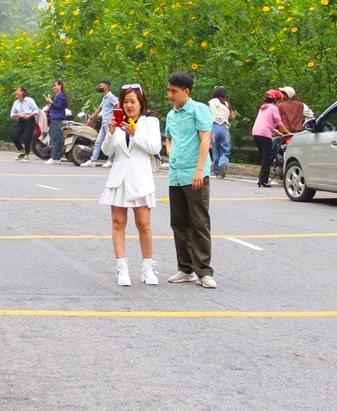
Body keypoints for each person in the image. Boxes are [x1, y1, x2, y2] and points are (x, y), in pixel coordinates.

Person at [100, 84, 163, 286]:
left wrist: (135, 132)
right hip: (119, 178)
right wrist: (110, 132)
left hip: (140, 179)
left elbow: (155, 147)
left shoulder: (150, 123)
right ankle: (122, 268)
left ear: (141, 103)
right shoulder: (117, 124)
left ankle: (147, 268)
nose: (129, 105)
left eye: (133, 101)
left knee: (144, 224)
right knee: (118, 223)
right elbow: (107, 150)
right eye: (125, 101)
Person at [163, 71, 215, 289]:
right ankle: (185, 269)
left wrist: (199, 170)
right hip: (175, 175)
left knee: (199, 223)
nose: (170, 95)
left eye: (174, 91)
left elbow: (205, 140)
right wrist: (171, 154)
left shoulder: (198, 110)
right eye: (169, 90)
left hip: (195, 174)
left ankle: (203, 271)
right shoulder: (170, 115)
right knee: (179, 223)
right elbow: (168, 138)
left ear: (186, 91)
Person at [252, 90, 284, 188]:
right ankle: (263, 181)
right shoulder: (273, 108)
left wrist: (278, 133)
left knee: (264, 157)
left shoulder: (263, 108)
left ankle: (261, 178)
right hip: (264, 135)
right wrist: (286, 132)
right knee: (267, 157)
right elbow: (279, 122)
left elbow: (266, 124)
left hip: (256, 133)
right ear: (275, 100)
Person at [84, 79, 119, 167]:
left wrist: (116, 116)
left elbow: (118, 104)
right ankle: (93, 160)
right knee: (98, 141)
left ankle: (110, 160)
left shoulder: (111, 96)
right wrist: (91, 118)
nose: (100, 87)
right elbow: (99, 109)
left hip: (109, 122)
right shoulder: (104, 97)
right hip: (104, 122)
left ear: (106, 86)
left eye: (101, 86)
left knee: (110, 140)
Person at [207, 86, 237, 178]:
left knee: (215, 151)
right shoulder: (227, 104)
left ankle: (217, 172)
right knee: (225, 150)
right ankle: (223, 162)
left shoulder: (211, 102)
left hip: (214, 128)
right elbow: (233, 117)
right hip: (224, 128)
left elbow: (207, 114)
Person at [9, 85, 39, 160]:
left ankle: (27, 154)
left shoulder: (29, 100)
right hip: (21, 120)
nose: (16, 92)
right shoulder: (16, 103)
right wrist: (17, 115)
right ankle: (22, 151)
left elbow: (36, 110)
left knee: (27, 136)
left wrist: (30, 115)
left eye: (17, 90)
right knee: (14, 135)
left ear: (22, 92)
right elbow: (12, 114)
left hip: (30, 119)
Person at [44, 79, 68, 165]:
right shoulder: (59, 95)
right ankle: (57, 158)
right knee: (56, 137)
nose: (54, 87)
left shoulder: (61, 95)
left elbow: (58, 106)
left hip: (57, 117)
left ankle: (54, 157)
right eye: (53, 86)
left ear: (60, 85)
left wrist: (51, 102)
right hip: (55, 117)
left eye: (55, 85)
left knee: (55, 137)